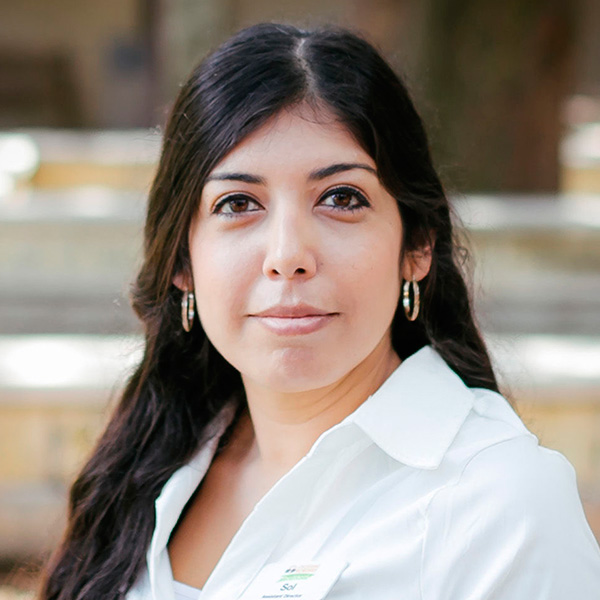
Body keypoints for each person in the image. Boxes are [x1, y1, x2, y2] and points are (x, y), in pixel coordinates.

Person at [39, 23, 600, 600]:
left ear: (417, 247)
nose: (287, 257)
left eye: (341, 198)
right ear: (182, 261)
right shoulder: (146, 471)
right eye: (238, 203)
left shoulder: (499, 503)